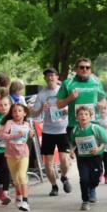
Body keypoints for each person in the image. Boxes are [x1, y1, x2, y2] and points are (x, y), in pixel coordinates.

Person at [31, 68, 73, 196]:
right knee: (48, 162)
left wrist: (67, 110)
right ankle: (54, 186)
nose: (50, 78)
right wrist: (40, 110)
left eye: (52, 75)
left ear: (57, 77)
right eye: (48, 76)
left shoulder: (64, 90)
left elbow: (73, 105)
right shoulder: (42, 95)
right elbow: (34, 113)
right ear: (44, 78)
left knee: (64, 159)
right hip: (48, 131)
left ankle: (64, 177)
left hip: (63, 129)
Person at [70, 104, 107, 211]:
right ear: (77, 118)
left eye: (86, 114)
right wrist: (72, 152)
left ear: (90, 117)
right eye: (80, 114)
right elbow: (73, 143)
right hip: (82, 158)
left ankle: (92, 188)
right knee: (84, 179)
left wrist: (98, 149)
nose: (83, 116)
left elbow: (104, 142)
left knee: (95, 178)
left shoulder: (96, 129)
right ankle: (85, 201)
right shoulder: (75, 130)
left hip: (95, 158)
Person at [0, 102, 34, 212]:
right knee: (15, 179)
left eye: (19, 111)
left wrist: (31, 134)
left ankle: (25, 201)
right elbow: (3, 135)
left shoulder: (27, 124)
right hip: (11, 154)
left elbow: (30, 135)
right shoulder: (9, 123)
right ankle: (19, 195)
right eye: (14, 111)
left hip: (23, 153)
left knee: (22, 176)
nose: (17, 113)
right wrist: (14, 135)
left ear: (24, 113)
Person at [57, 58, 107, 133]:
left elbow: (103, 101)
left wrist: (102, 105)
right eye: (81, 67)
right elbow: (59, 105)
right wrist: (69, 98)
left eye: (87, 67)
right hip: (75, 125)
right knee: (73, 145)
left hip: (94, 124)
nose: (85, 69)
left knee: (97, 145)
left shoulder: (96, 83)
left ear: (90, 70)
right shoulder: (67, 83)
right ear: (76, 69)